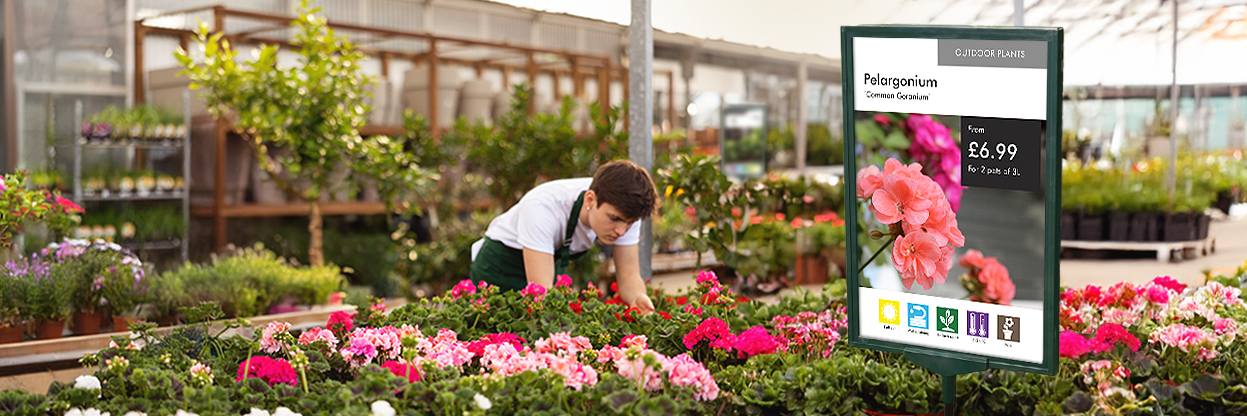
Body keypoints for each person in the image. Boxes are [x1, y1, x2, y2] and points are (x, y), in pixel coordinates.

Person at [469, 160, 658, 313]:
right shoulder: (542, 208)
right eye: (614, 219)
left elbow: (628, 275)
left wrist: (638, 297)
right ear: (590, 200)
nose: (621, 231)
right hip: (501, 266)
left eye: (630, 223)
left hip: (545, 264)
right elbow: (541, 292)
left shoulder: (628, 210)